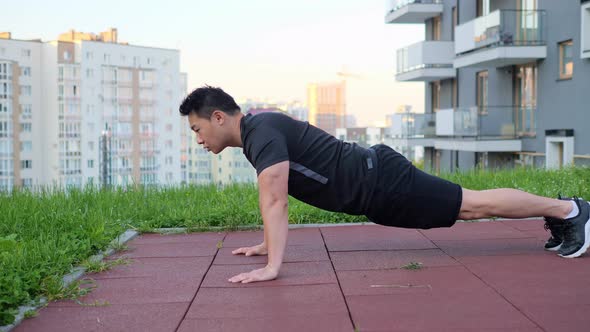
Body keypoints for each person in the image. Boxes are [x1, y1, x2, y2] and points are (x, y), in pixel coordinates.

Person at [179, 86, 590, 284]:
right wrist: (267, 245)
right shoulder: (259, 132)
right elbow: (272, 197)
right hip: (377, 186)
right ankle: (564, 212)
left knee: (472, 205)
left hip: (382, 181)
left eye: (198, 129)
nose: (199, 140)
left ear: (218, 117)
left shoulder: (261, 133)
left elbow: (275, 200)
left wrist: (272, 266)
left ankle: (571, 211)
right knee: (468, 205)